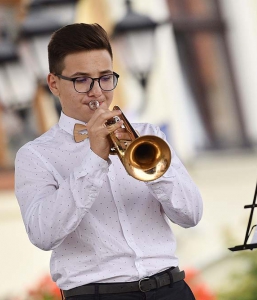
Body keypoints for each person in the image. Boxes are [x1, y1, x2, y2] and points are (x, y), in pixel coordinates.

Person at [14, 23, 203, 300]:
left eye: (105, 77)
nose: (97, 92)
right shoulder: (36, 156)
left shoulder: (148, 134)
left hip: (170, 289)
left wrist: (152, 170)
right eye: (81, 80)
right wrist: (93, 158)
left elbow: (191, 215)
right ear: (54, 84)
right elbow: (43, 234)